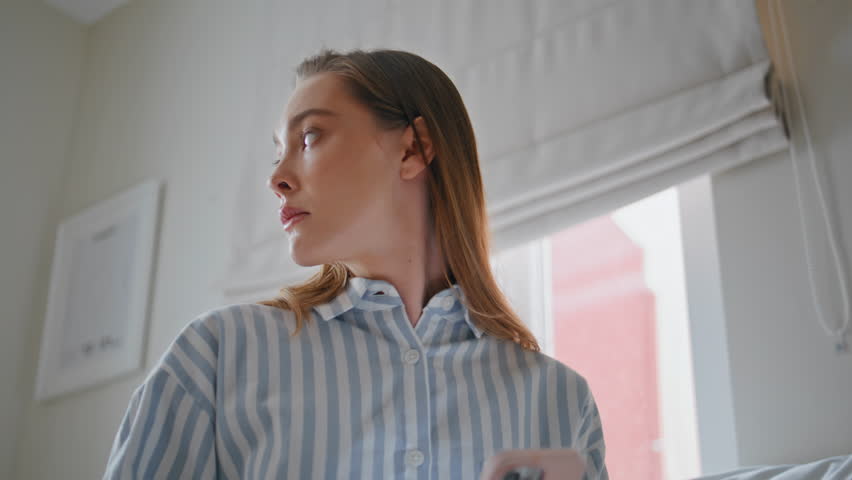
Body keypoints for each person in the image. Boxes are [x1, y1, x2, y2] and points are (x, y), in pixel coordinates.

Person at [103, 48, 608, 480]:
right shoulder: (217, 357)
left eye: (309, 137)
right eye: (278, 154)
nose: (276, 178)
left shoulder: (561, 401)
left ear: (412, 148)